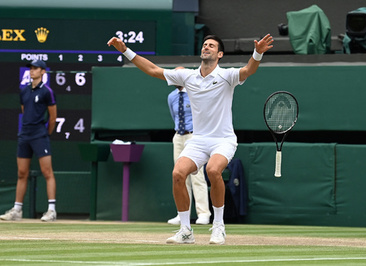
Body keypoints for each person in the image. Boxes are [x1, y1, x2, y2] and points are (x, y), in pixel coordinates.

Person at [107, 33, 274, 244]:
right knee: (178, 173)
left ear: (219, 54)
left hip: (223, 140)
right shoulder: (187, 76)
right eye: (205, 44)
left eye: (211, 46)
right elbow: (152, 70)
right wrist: (125, 50)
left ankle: (219, 227)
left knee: (213, 170)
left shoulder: (228, 75)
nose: (207, 47)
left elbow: (249, 70)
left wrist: (257, 52)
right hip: (198, 140)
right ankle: (186, 230)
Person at [0, 60, 57, 222]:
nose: (32, 71)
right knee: (21, 173)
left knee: (47, 172)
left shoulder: (47, 92)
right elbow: (25, 112)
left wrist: (45, 134)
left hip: (40, 135)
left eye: (35, 68)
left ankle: (51, 210)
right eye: (31, 69)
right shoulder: (24, 91)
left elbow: (53, 117)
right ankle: (17, 210)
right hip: (25, 135)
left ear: (43, 72)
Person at [167, 78, 211, 226]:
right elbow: (174, 117)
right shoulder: (172, 96)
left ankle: (203, 213)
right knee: (179, 175)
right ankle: (182, 214)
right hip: (178, 136)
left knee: (197, 176)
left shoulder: (195, 93)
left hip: (194, 136)